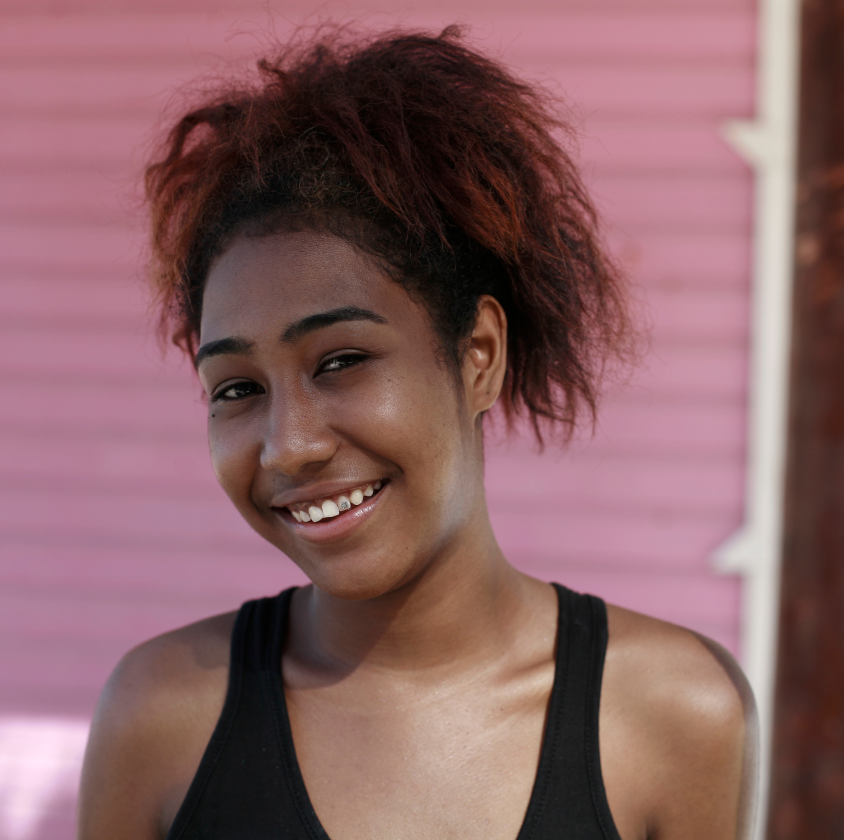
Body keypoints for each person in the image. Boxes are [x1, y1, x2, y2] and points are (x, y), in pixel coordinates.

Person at [78, 25, 757, 840]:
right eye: (237, 388)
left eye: (341, 361)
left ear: (478, 356)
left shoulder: (671, 715)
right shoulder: (161, 720)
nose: (289, 445)